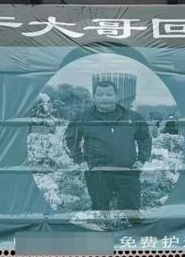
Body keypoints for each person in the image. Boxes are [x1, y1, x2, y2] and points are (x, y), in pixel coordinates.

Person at [64, 80, 152, 211]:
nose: (104, 98)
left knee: (132, 212)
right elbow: (70, 139)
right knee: (100, 211)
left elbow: (145, 139)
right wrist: (79, 160)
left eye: (109, 94)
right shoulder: (83, 118)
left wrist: (141, 160)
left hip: (127, 172)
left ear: (116, 96)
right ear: (94, 97)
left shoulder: (132, 117)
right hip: (97, 174)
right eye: (100, 94)